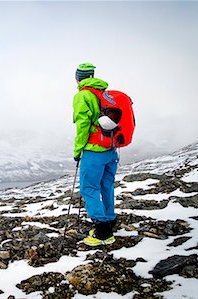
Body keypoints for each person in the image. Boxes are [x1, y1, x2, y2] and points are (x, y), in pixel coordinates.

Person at [73, 62, 118, 246]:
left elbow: (82, 125)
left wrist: (77, 150)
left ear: (78, 78)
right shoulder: (104, 93)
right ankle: (109, 219)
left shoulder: (83, 95)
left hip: (93, 150)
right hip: (111, 148)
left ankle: (102, 232)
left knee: (89, 188)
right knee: (106, 185)